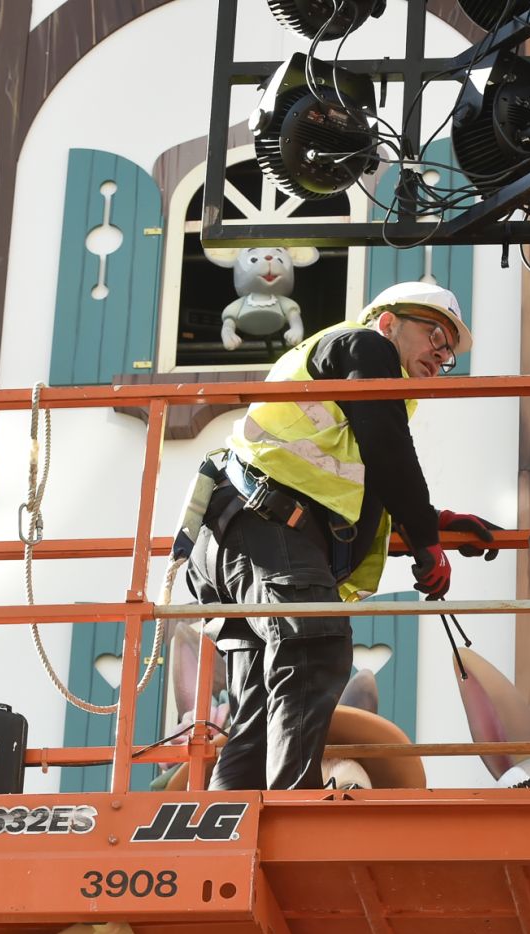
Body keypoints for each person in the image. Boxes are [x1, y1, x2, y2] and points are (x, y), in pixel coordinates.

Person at [185, 281, 501, 791]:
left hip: (238, 535)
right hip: (265, 528)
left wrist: (429, 520)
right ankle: (296, 811)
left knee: (261, 704)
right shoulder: (365, 346)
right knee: (317, 643)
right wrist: (425, 540)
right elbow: (388, 451)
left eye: (449, 353)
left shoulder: (350, 368)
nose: (442, 356)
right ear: (388, 322)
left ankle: (232, 817)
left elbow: (359, 477)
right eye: (436, 337)